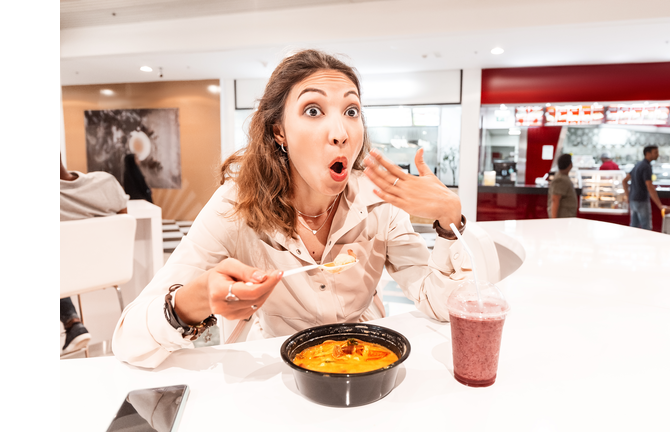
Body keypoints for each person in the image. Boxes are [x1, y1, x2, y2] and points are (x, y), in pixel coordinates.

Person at [112, 49, 471, 369]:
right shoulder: (236, 205)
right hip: (270, 370)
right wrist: (194, 300)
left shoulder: (377, 200)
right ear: (279, 132)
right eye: (313, 110)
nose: (340, 132)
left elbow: (441, 305)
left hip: (364, 361)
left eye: (351, 110)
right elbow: (129, 342)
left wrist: (448, 220)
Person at [60, 155, 130, 355]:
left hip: (66, 278)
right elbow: (122, 223)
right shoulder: (106, 182)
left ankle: (72, 322)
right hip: (112, 270)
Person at [622, 146, 670, 230]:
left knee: (633, 227)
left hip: (633, 200)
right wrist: (660, 205)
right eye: (655, 152)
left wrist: (628, 197)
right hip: (642, 200)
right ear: (648, 153)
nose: (658, 155)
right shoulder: (646, 166)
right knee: (646, 227)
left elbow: (624, 181)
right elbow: (649, 186)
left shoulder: (638, 164)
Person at [547, 153, 578, 218]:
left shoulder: (563, 177)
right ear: (570, 165)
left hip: (565, 217)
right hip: (562, 218)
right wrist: (554, 220)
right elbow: (555, 200)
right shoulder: (560, 179)